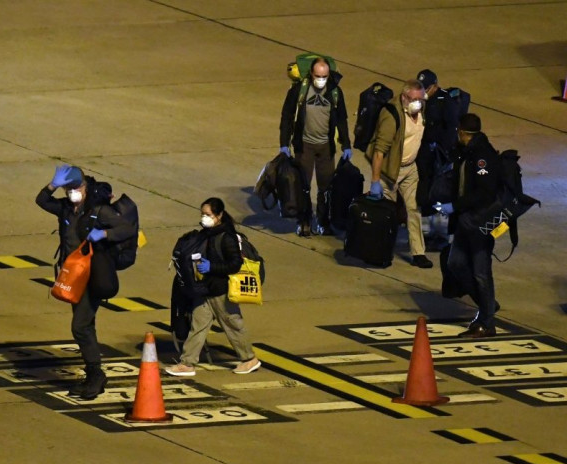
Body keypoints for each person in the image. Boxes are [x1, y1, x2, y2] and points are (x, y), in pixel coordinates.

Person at [36, 165, 134, 399]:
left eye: (75, 188)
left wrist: (105, 235)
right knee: (85, 326)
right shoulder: (65, 209)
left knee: (80, 326)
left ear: (85, 187)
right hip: (74, 275)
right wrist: (52, 185)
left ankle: (96, 375)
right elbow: (41, 200)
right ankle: (93, 376)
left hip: (93, 275)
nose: (72, 193)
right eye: (67, 189)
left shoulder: (98, 211)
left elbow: (127, 228)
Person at [165, 197, 261, 377]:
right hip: (207, 289)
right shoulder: (208, 234)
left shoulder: (227, 237)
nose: (204, 218)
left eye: (208, 214)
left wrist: (212, 267)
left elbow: (235, 264)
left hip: (221, 290)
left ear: (219, 215)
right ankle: (187, 363)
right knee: (198, 325)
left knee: (232, 324)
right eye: (202, 214)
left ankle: (249, 359)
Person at [437, 114, 501, 338]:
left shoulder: (483, 156)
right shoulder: (467, 151)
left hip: (480, 223)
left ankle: (487, 321)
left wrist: (454, 206)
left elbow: (484, 193)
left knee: (481, 273)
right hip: (466, 221)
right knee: (455, 263)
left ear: (463, 132)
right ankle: (488, 305)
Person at [279, 56, 353, 237]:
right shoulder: (299, 91)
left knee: (326, 187)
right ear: (311, 74)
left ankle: (323, 221)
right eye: (318, 75)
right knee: (303, 186)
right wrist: (284, 144)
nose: (321, 79)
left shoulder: (335, 92)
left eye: (325, 76)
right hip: (304, 146)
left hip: (325, 147)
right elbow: (287, 116)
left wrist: (346, 144)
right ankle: (304, 221)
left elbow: (342, 119)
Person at [368, 79, 433, 268]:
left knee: (414, 210)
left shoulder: (421, 111)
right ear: (404, 97)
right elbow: (379, 151)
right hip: (391, 171)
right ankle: (380, 251)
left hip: (410, 168)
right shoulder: (391, 115)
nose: (418, 103)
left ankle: (418, 253)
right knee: (386, 215)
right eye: (414, 99)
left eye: (421, 99)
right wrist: (375, 181)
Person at [415, 69, 459, 226]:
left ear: (435, 85)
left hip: (437, 154)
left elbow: (451, 129)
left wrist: (444, 153)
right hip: (423, 151)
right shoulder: (419, 99)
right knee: (422, 185)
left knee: (435, 189)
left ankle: (435, 225)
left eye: (426, 88)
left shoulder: (445, 101)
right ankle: (424, 220)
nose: (423, 91)